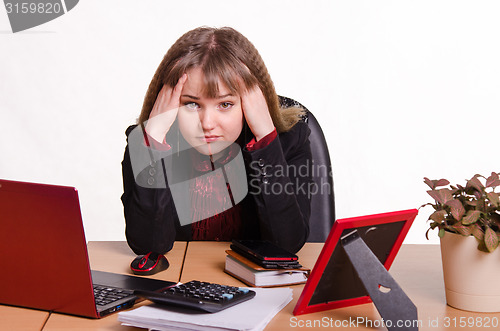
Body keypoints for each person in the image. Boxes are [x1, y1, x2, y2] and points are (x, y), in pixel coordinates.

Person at [121, 26, 313, 267]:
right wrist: (154, 139)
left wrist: (265, 136)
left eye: (225, 104)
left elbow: (286, 245)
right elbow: (148, 246)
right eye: (191, 104)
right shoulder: (150, 143)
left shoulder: (288, 141)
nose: (207, 124)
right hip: (183, 284)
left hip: (258, 287)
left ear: (251, 101)